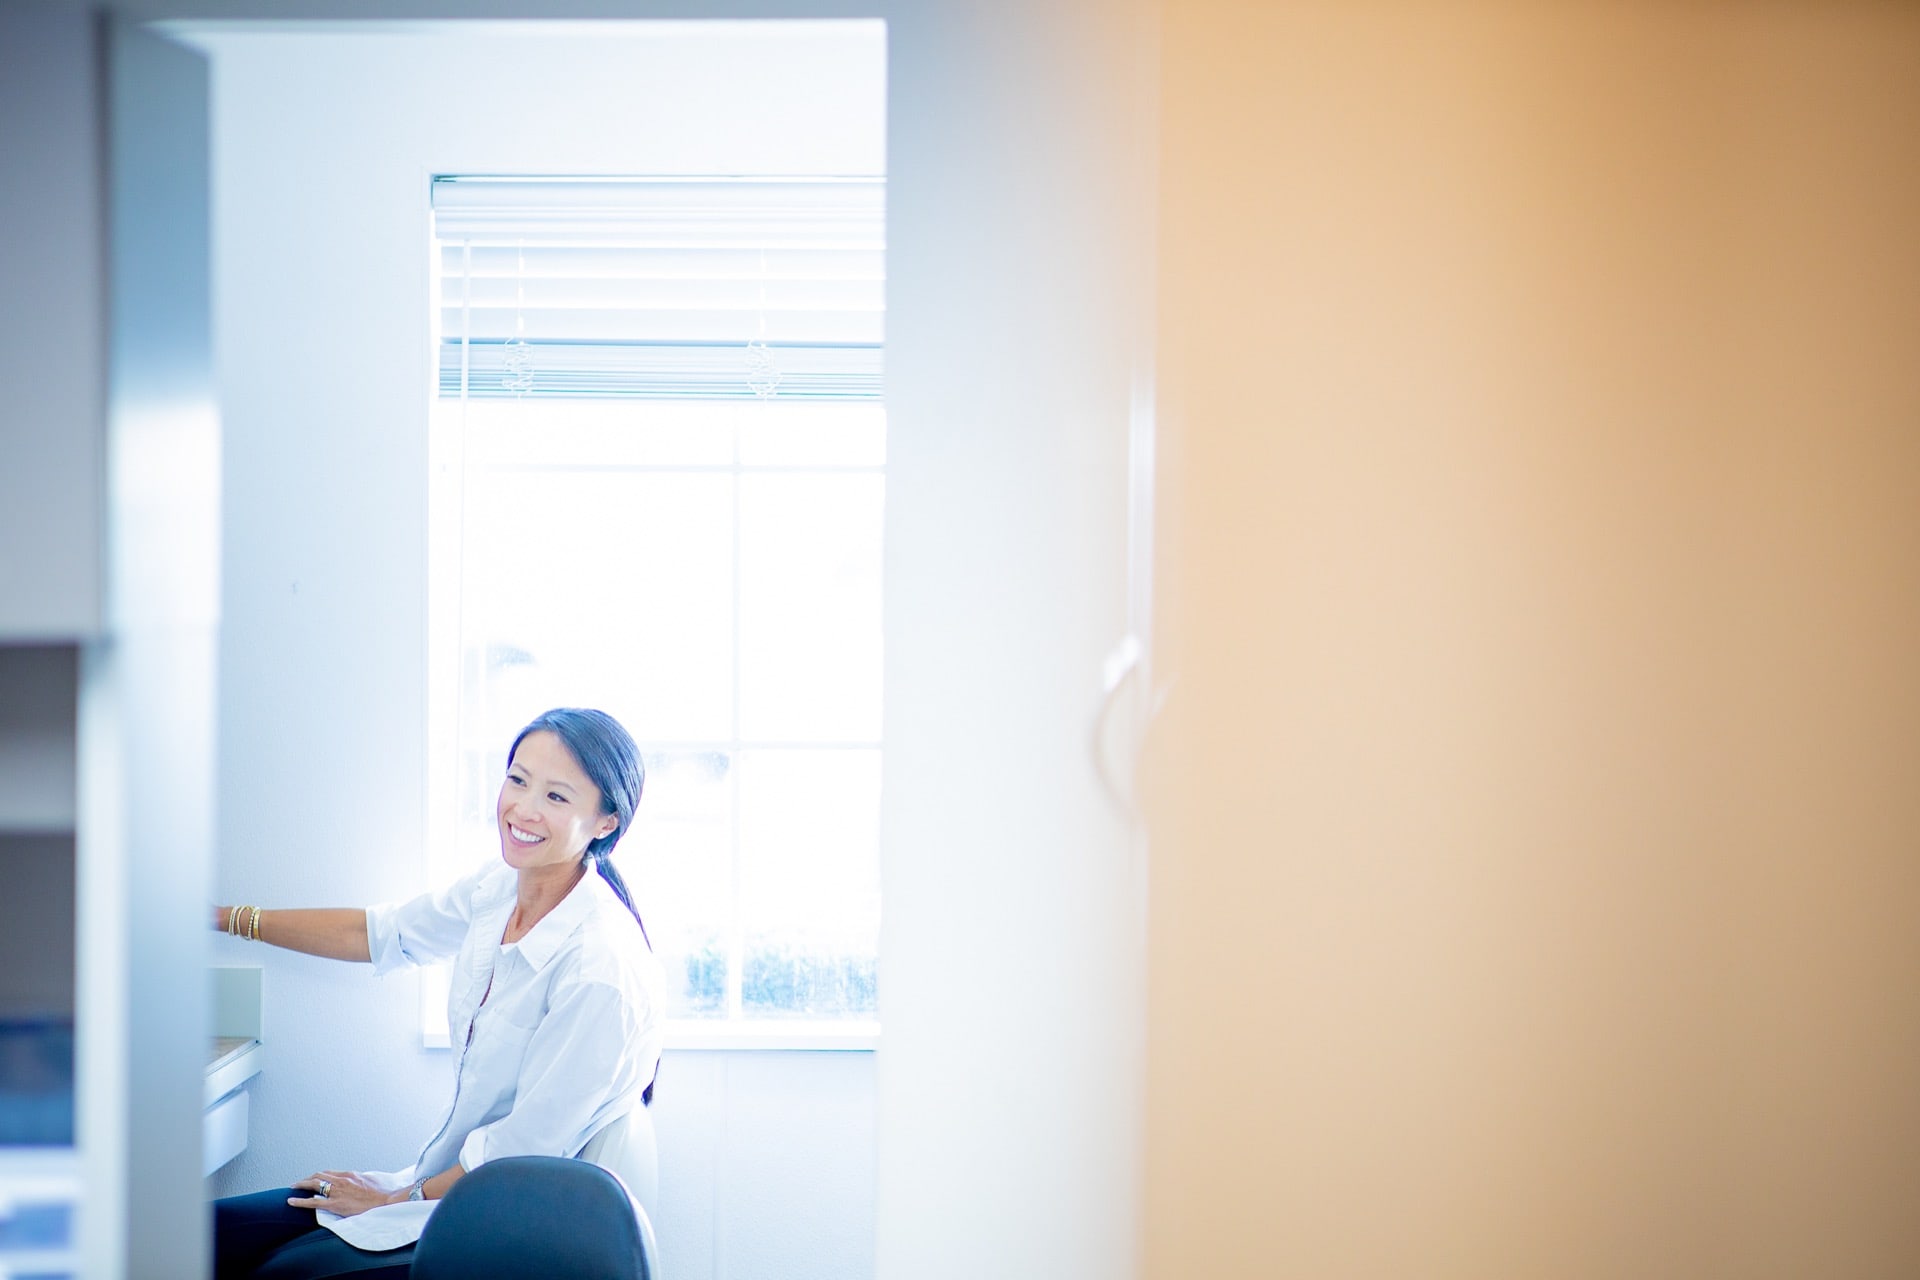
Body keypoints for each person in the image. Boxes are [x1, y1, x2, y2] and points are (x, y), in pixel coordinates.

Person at [210, 708, 664, 1280]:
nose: (523, 809)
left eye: (556, 796)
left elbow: (516, 1155)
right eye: (518, 780)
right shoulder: (500, 889)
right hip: (437, 1194)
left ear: (605, 822)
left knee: (274, 1273)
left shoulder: (600, 970)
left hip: (499, 1228)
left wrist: (393, 1199)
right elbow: (381, 934)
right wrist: (226, 918)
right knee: (209, 1235)